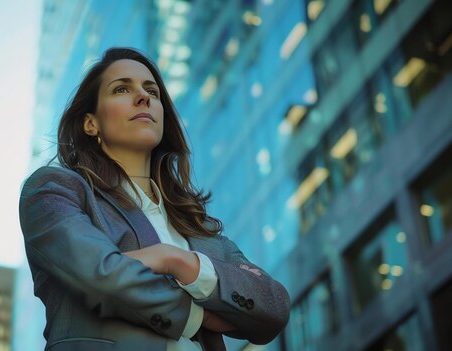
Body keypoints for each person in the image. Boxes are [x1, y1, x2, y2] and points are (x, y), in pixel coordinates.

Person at [19, 47, 290, 351]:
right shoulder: (54, 189)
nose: (143, 97)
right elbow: (99, 276)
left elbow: (273, 306)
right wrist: (197, 312)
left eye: (152, 91)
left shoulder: (200, 230)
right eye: (121, 88)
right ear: (90, 123)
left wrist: (179, 262)